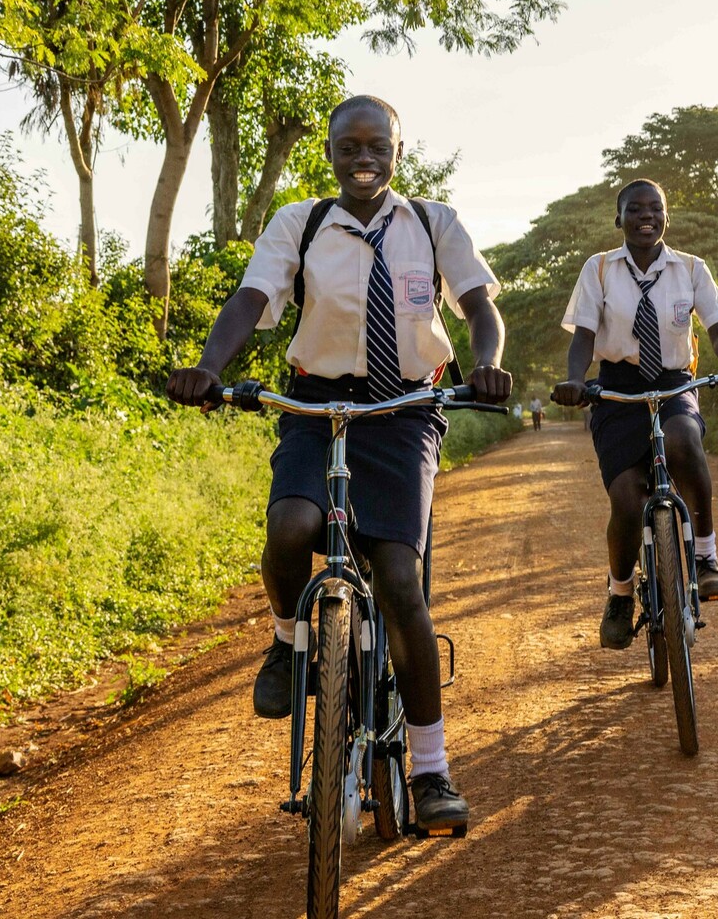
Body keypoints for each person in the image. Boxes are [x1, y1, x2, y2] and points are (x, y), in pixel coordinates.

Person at [165, 94, 512, 833]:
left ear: (396, 151)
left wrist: (487, 362)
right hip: (315, 402)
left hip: (405, 410)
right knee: (290, 528)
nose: (363, 158)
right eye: (348, 146)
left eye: (376, 146)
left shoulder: (433, 222)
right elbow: (251, 297)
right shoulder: (302, 222)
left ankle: (430, 769)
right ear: (327, 152)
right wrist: (205, 367)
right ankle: (291, 645)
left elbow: (480, 304)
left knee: (397, 582)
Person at [550, 179, 718, 649]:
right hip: (616, 391)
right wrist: (577, 380)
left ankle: (705, 556)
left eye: (656, 209)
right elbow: (582, 335)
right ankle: (620, 593)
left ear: (667, 216)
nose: (647, 216)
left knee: (685, 443)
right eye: (635, 209)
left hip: (674, 383)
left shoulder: (691, 268)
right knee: (626, 499)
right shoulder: (598, 269)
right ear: (617, 219)